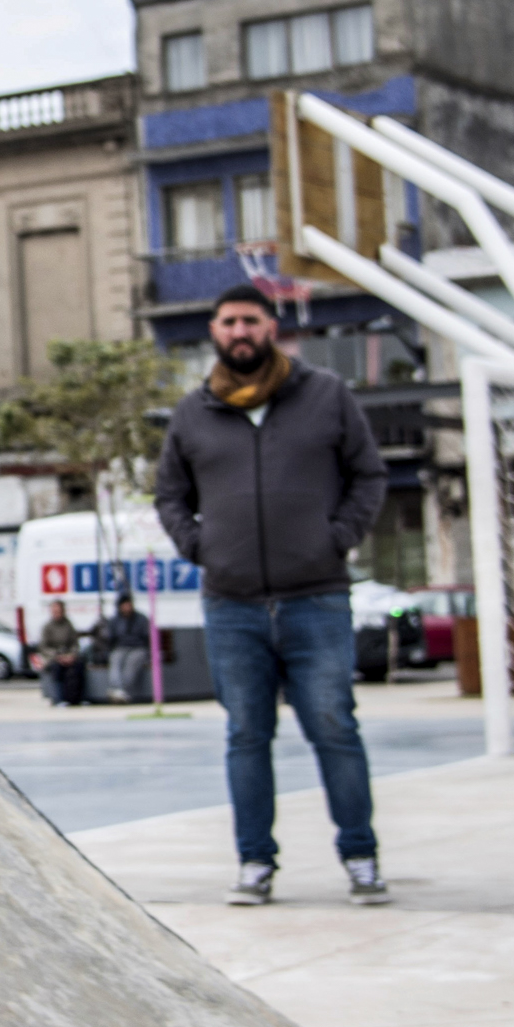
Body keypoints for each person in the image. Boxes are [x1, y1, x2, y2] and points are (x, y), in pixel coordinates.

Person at [154, 283, 390, 907]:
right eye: (229, 321)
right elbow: (171, 497)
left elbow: (369, 475)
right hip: (231, 604)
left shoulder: (326, 397)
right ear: (214, 331)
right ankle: (255, 863)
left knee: (335, 728)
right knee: (246, 737)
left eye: (250, 321)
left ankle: (361, 857)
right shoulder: (192, 413)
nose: (239, 331)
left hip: (316, 597)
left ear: (272, 327)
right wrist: (201, 547)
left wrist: (336, 538)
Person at [100, 593, 152, 704]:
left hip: (138, 648)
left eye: (129, 604)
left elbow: (147, 637)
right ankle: (118, 689)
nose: (127, 607)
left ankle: (122, 691)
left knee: (132, 662)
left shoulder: (141, 619)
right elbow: (111, 638)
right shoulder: (115, 620)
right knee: (115, 658)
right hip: (121, 647)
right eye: (124, 605)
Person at [32, 599, 82, 707]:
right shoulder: (47, 627)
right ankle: (58, 699)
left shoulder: (68, 625)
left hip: (68, 655)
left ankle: (75, 699)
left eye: (59, 611)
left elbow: (74, 643)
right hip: (53, 657)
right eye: (54, 611)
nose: (57, 613)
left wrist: (71, 655)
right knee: (56, 669)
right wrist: (57, 656)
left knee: (78, 667)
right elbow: (43, 647)